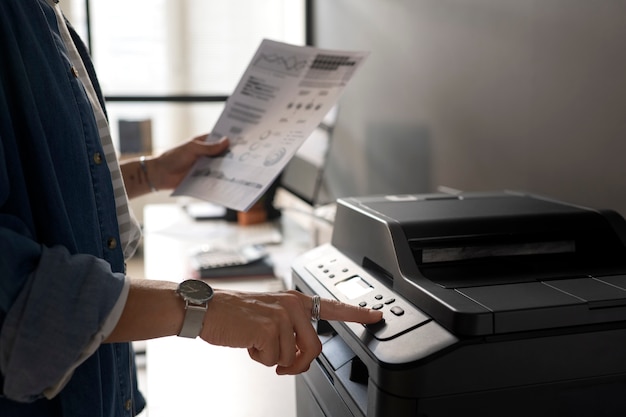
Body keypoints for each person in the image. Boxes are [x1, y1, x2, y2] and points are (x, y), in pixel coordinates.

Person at [0, 1, 383, 416]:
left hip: (100, 384)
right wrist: (200, 306)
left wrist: (152, 172)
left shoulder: (50, 19)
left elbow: (48, 192)